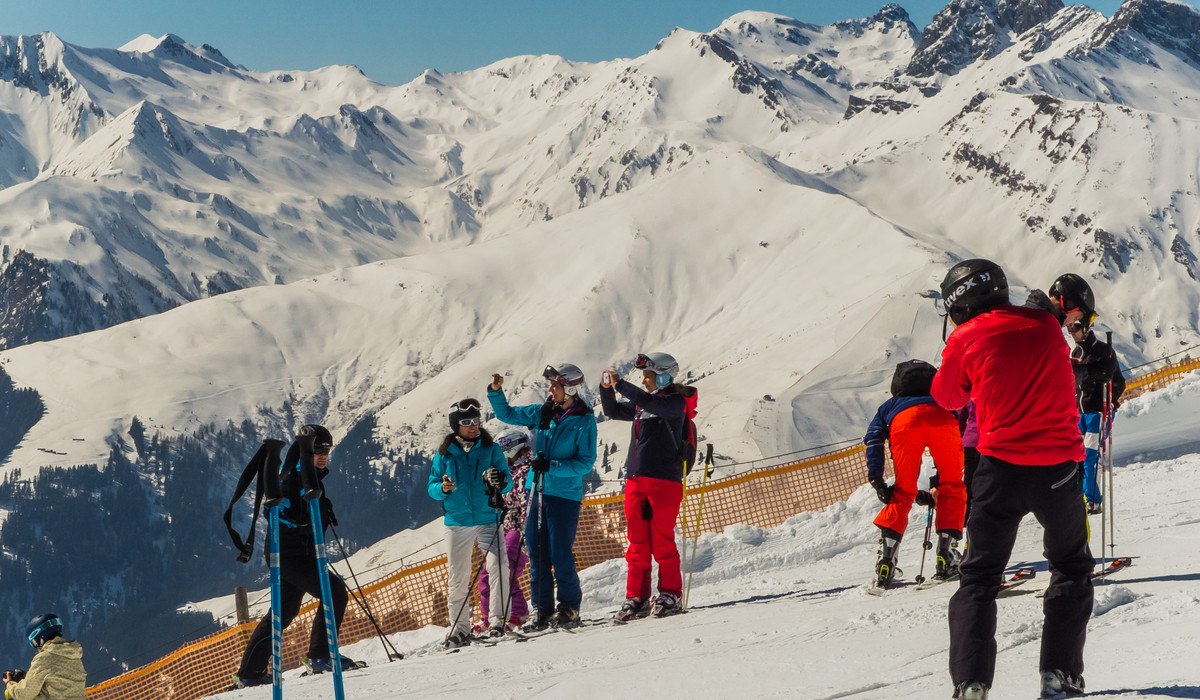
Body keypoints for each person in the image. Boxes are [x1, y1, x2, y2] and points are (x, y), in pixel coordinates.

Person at [932, 259, 1092, 700]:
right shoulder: (1043, 323)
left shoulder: (965, 337)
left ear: (958, 305)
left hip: (999, 468)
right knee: (1071, 567)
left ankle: (971, 684)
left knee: (980, 578)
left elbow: (947, 396)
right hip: (1059, 468)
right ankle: (1060, 675)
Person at [233, 424, 355, 688]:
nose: (322, 455)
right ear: (303, 451)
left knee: (283, 612)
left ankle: (250, 673)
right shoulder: (292, 477)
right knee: (334, 592)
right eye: (316, 450)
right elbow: (273, 510)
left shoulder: (310, 476)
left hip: (296, 553)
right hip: (288, 554)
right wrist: (293, 520)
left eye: (326, 450)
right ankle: (321, 655)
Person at [487, 363, 597, 630]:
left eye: (555, 385)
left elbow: (585, 463)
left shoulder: (584, 420)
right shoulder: (542, 412)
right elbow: (508, 414)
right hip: (537, 491)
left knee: (560, 554)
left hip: (564, 495)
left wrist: (552, 467)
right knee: (538, 554)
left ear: (569, 388)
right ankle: (542, 609)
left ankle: (569, 607)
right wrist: (495, 392)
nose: (551, 389)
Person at [599, 352, 696, 620]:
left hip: (665, 481)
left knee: (662, 541)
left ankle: (670, 594)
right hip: (636, 481)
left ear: (664, 376)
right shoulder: (644, 406)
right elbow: (613, 411)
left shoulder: (676, 404)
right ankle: (637, 598)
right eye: (643, 377)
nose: (644, 381)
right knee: (637, 544)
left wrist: (620, 385)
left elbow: (645, 400)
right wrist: (606, 390)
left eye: (648, 376)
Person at [865, 359, 967, 588]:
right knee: (952, 486)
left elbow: (873, 440)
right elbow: (964, 425)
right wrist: (945, 476)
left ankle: (886, 562)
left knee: (902, 492)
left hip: (904, 423)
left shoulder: (890, 405)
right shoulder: (945, 398)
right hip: (943, 418)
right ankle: (946, 557)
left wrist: (877, 479)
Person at [428, 398, 512, 647]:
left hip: (488, 518)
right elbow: (431, 486)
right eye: (466, 422)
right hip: (458, 521)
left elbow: (505, 477)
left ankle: (497, 619)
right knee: (458, 576)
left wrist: (500, 481)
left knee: (499, 567)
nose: (473, 426)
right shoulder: (444, 453)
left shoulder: (490, 448)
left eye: (476, 420)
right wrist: (442, 488)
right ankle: (459, 627)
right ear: (456, 425)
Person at [476, 428, 533, 631]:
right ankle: (492, 618)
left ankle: (511, 615)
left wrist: (528, 533)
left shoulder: (526, 473)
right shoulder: (510, 473)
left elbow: (529, 504)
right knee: (493, 574)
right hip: (506, 528)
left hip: (519, 529)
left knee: (502, 573)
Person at [1068, 317, 1126, 515]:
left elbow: (1119, 381)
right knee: (1076, 458)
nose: (1071, 332)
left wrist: (1111, 402)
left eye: (1074, 327)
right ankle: (1082, 497)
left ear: (1086, 327)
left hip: (1097, 413)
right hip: (1079, 414)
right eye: (1068, 328)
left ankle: (1093, 501)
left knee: (1089, 457)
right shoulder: (1075, 352)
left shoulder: (1103, 351)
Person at [3, 613, 86, 700]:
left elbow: (24, 694)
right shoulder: (74, 655)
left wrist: (10, 683)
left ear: (38, 638)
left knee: (11, 694)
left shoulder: (44, 658)